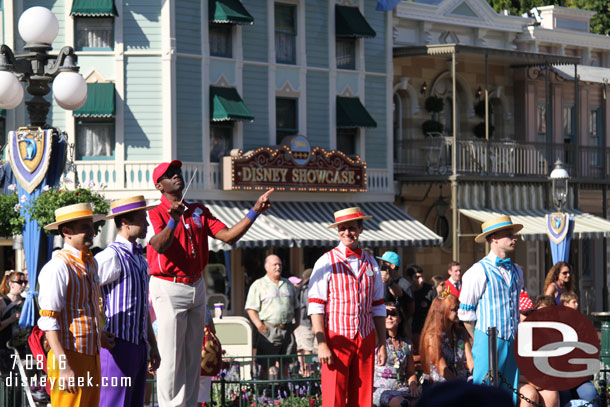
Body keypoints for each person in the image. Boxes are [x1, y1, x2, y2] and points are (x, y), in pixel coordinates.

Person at [147, 159, 273, 407]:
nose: (176, 175)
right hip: (168, 285)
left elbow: (228, 237)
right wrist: (173, 219)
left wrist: (255, 210)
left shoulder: (197, 210)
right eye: (169, 174)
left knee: (195, 357)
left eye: (177, 171)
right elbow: (159, 245)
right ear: (159, 186)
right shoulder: (154, 212)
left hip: (196, 284)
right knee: (171, 358)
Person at [308, 206, 386, 407]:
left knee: (363, 398)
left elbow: (378, 305)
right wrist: (322, 342)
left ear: (360, 229)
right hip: (336, 338)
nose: (346, 233)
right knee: (334, 396)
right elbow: (316, 306)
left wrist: (382, 343)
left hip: (366, 336)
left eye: (351, 228)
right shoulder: (326, 262)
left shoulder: (371, 263)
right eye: (342, 228)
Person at [37, 203, 108, 406]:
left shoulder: (90, 263)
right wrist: (63, 365)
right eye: (85, 227)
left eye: (92, 226)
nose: (92, 232)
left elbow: (87, 308)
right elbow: (48, 322)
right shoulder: (58, 267)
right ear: (67, 231)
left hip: (91, 354)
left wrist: (99, 334)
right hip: (69, 355)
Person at [96, 196, 161, 407]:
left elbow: (143, 308)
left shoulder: (140, 260)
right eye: (143, 218)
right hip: (117, 345)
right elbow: (85, 291)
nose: (148, 224)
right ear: (125, 223)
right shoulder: (110, 256)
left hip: (138, 345)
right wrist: (98, 330)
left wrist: (151, 344)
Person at [458, 215, 524, 402]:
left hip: (512, 340)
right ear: (494, 238)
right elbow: (465, 313)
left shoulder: (517, 271)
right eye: (509, 234)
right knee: (484, 395)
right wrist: (479, 338)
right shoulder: (477, 271)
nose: (514, 238)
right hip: (487, 339)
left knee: (509, 395)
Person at [245, 254, 297, 379]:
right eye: (274, 264)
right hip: (269, 329)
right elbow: (251, 308)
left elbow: (297, 306)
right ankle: (265, 392)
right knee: (266, 364)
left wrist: (297, 323)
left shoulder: (288, 284)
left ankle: (283, 389)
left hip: (287, 328)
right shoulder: (258, 285)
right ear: (266, 267)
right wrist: (259, 325)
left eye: (279, 264)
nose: (278, 267)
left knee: (285, 363)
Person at [373, 300, 420, 407]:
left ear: (400, 319)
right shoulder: (377, 339)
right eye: (385, 314)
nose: (389, 317)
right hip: (379, 389)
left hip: (401, 388)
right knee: (401, 403)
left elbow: (410, 372)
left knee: (421, 401)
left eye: (393, 314)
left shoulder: (406, 343)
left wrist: (413, 384)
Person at [419, 292, 473, 383]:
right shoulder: (432, 337)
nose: (459, 311)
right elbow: (441, 367)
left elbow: (471, 360)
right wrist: (460, 387)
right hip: (441, 385)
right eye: (455, 309)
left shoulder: (461, 332)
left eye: (459, 308)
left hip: (463, 381)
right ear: (443, 311)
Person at [378, 252, 413, 337]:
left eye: (384, 263)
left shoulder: (405, 285)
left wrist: (400, 320)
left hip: (400, 329)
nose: (381, 265)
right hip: (384, 326)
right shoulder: (380, 280)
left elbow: (411, 309)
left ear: (392, 266)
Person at [0, 270, 26, 374]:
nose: (23, 285)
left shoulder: (26, 301)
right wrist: (11, 319)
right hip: (6, 348)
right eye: (19, 282)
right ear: (11, 284)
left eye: (24, 282)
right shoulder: (2, 302)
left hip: (22, 346)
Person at [406, 264, 436, 352]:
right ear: (409, 278)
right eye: (417, 277)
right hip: (411, 330)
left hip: (428, 330)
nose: (421, 280)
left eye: (422, 276)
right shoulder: (406, 291)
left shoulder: (430, 290)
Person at [294, 268, 316, 376]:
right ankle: (307, 371)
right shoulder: (308, 290)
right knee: (308, 349)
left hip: (299, 323)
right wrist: (315, 323)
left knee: (301, 348)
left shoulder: (301, 289)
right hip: (306, 323)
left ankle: (302, 370)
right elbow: (310, 308)